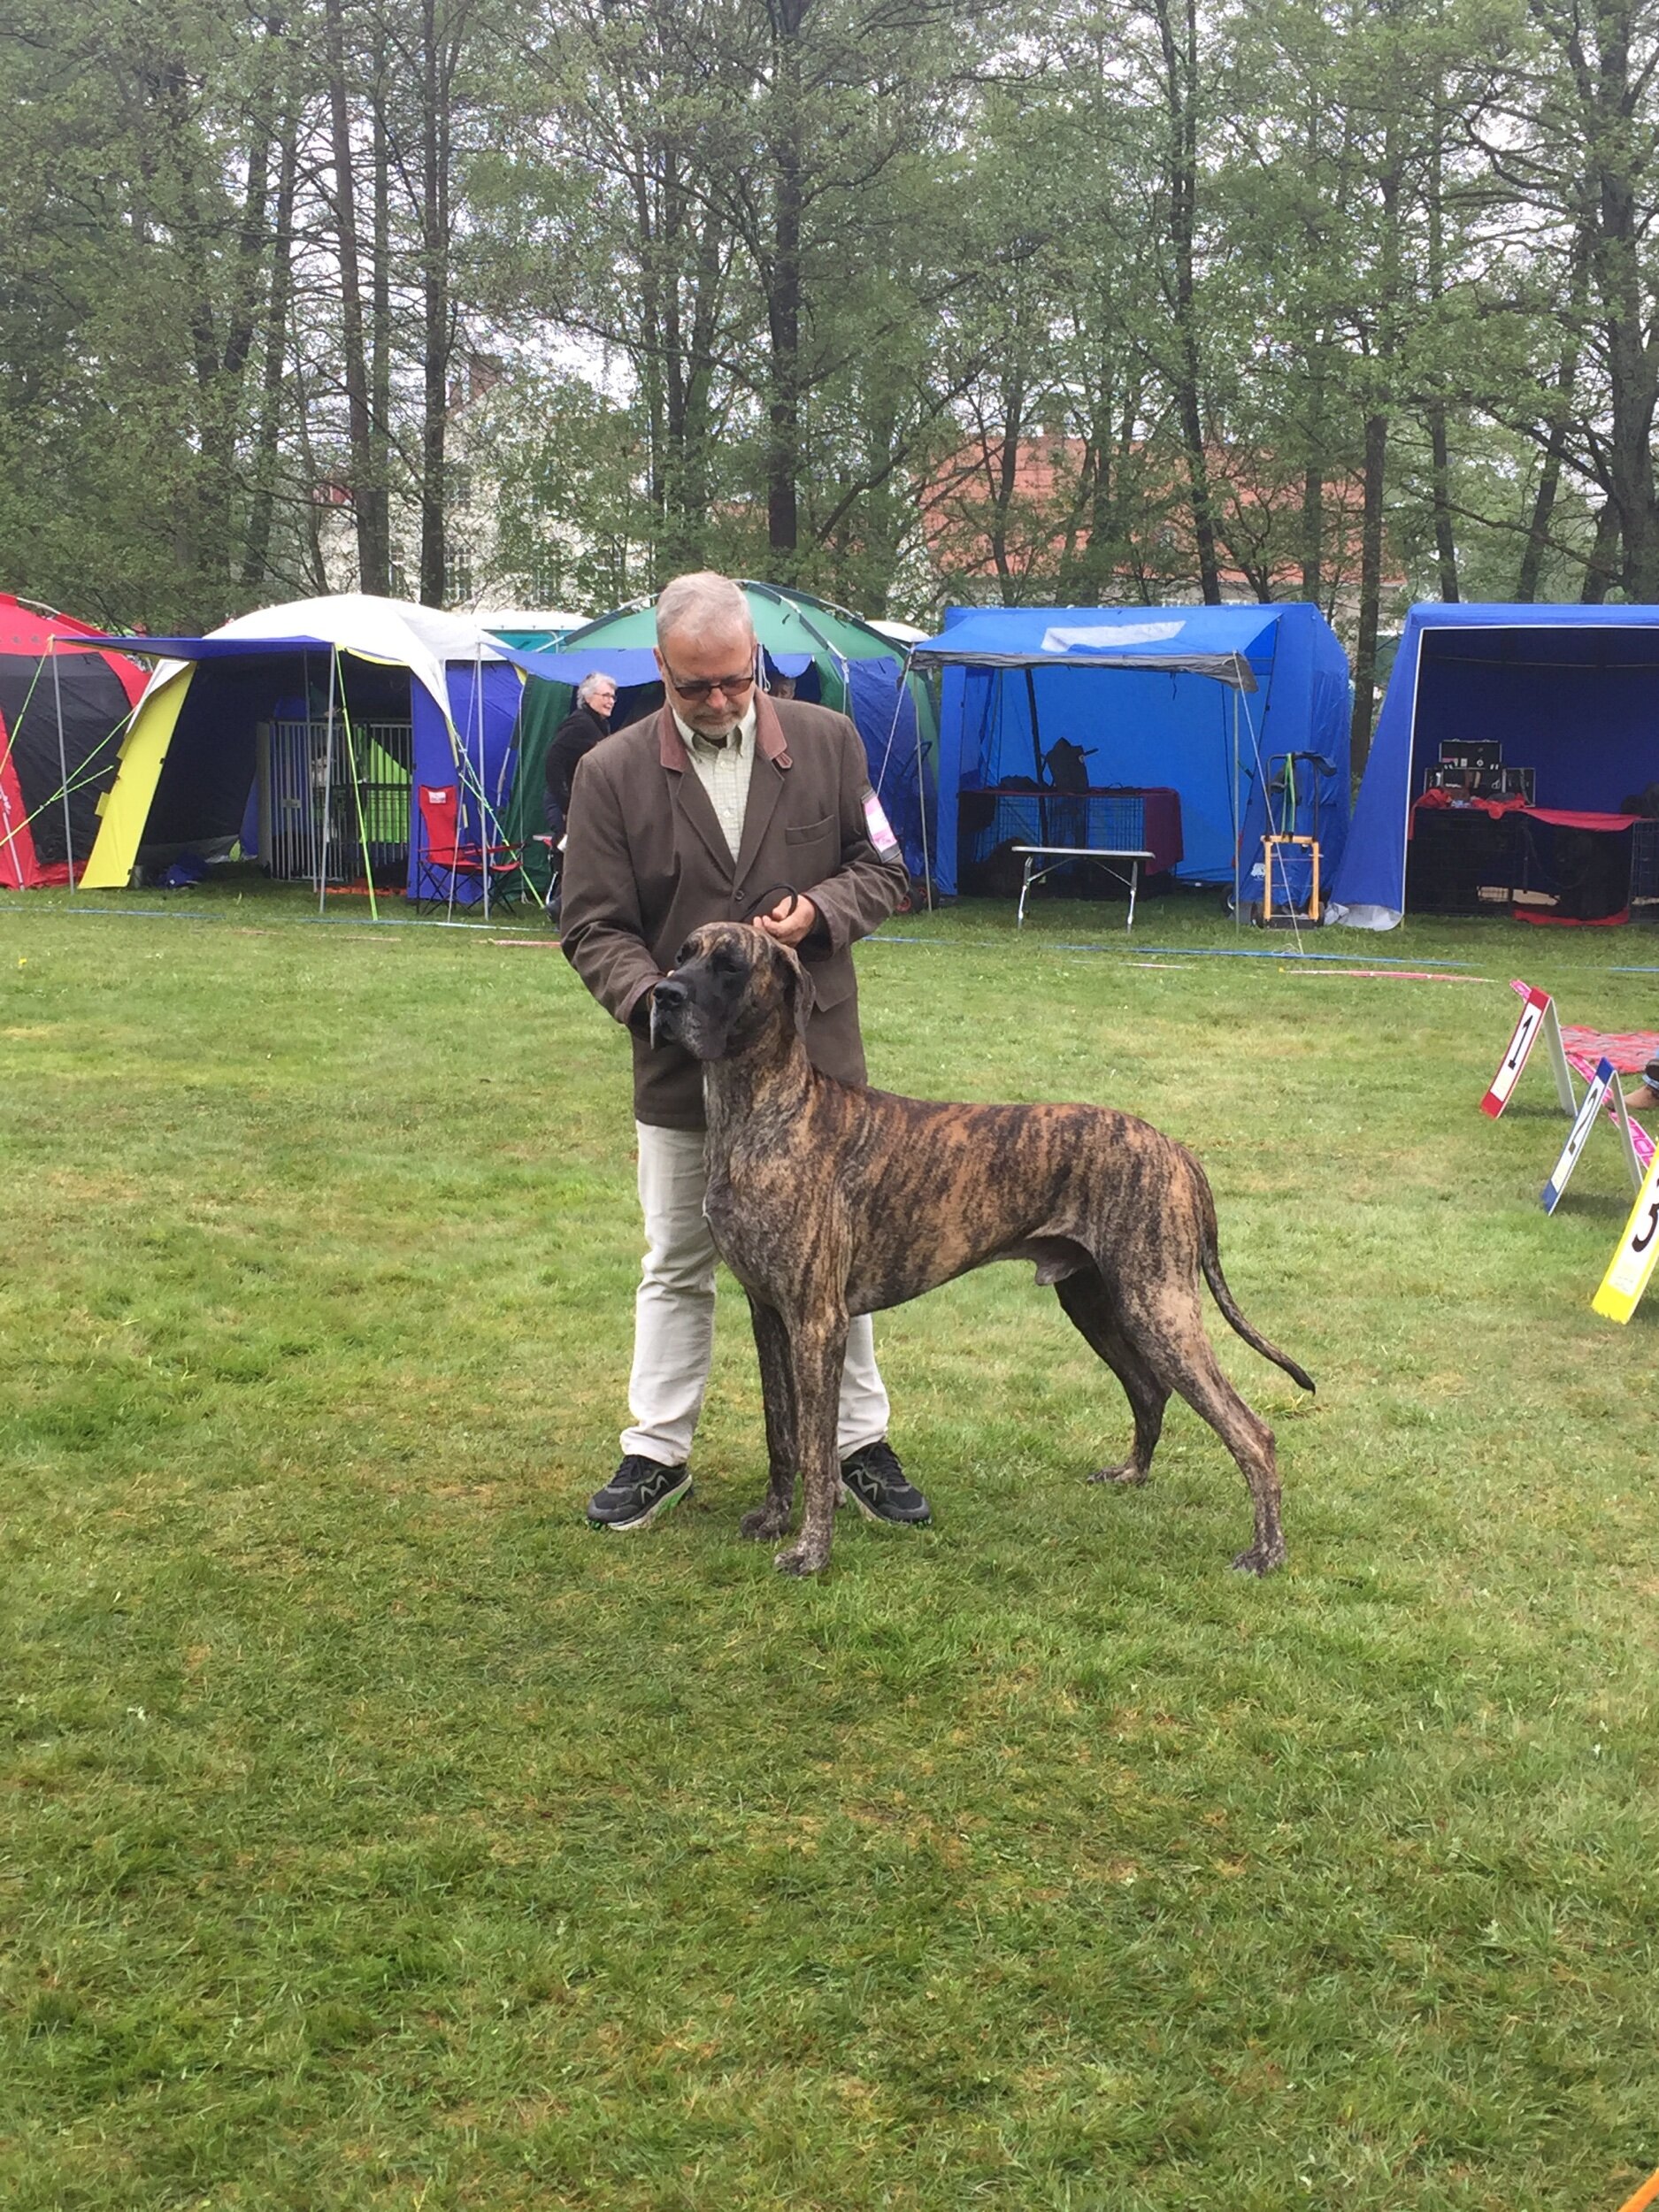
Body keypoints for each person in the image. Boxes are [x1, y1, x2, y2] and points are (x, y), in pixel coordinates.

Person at [558, 571, 929, 1532]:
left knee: (833, 1265)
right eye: (696, 686)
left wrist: (821, 911)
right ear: (659, 668)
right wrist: (657, 1005)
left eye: (736, 679)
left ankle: (857, 1444)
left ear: (755, 657)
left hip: (816, 1070)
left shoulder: (829, 740)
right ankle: (656, 1450)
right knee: (677, 1257)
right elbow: (592, 924)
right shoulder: (610, 772)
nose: (721, 700)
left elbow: (882, 868)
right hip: (682, 1075)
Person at [544, 672, 618, 833]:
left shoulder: (601, 725)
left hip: (583, 801)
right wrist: (566, 803)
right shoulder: (579, 723)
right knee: (568, 844)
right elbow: (553, 760)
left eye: (613, 697)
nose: (611, 701)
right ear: (588, 697)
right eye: (606, 696)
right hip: (564, 803)